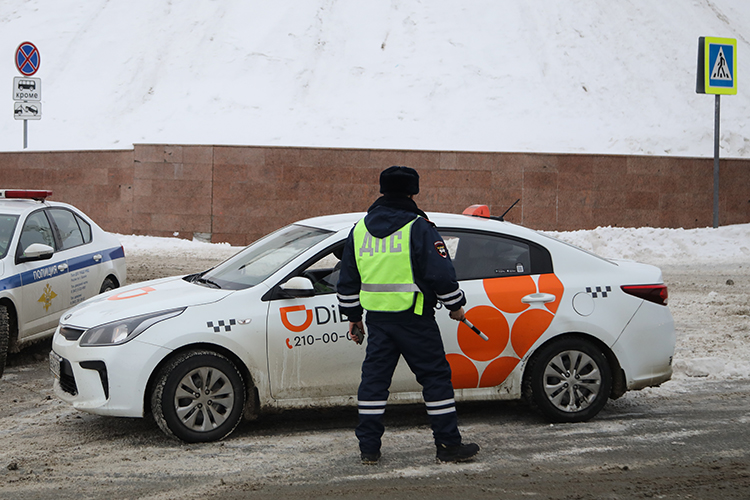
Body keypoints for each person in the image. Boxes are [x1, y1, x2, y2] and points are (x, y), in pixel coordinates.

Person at [337, 165, 480, 465]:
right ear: (413, 191)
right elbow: (441, 274)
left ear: (382, 190)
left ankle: (369, 449)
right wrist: (456, 306)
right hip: (415, 320)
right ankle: (448, 445)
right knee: (435, 380)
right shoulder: (419, 227)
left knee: (374, 384)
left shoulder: (359, 230)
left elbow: (347, 280)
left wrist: (353, 316)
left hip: (378, 322)